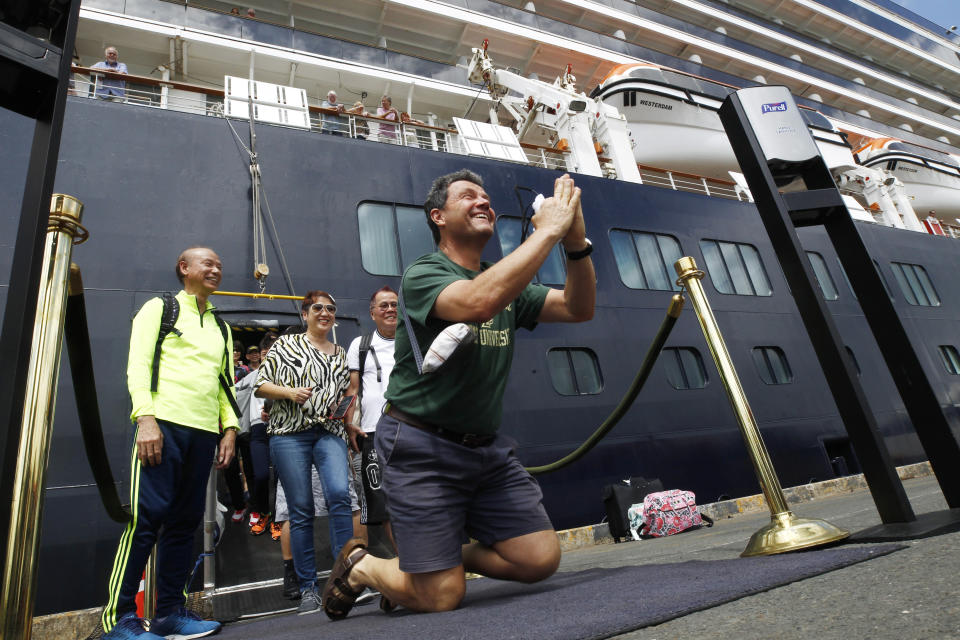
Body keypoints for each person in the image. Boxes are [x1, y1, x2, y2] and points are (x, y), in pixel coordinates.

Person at [320, 170, 594, 619]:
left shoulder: (505, 280)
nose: (484, 202)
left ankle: (438, 560)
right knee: (441, 597)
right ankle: (363, 566)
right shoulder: (423, 274)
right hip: (420, 446)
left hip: (485, 449)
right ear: (438, 217)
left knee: (539, 559)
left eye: (487, 197)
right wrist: (547, 232)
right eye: (468, 196)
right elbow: (476, 303)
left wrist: (575, 243)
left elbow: (579, 308)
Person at [100, 247, 238, 639]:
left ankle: (170, 614)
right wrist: (145, 417)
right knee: (145, 522)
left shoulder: (221, 328)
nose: (216, 269)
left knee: (183, 524)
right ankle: (119, 620)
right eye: (208, 263)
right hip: (161, 427)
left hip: (203, 434)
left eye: (219, 265)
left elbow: (225, 384)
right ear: (184, 268)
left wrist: (229, 429)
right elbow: (138, 363)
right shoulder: (160, 309)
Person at [254, 291, 357, 615]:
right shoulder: (286, 345)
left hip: (329, 431)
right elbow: (261, 385)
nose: (324, 312)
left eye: (330, 308)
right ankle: (309, 587)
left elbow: (345, 395)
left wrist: (344, 412)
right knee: (301, 510)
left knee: (340, 494)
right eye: (318, 308)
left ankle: (345, 578)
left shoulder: (341, 354)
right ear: (305, 314)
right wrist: (288, 393)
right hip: (289, 435)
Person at [345, 287, 398, 550]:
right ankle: (406, 564)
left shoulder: (413, 343)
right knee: (383, 502)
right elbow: (352, 390)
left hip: (413, 431)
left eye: (394, 305)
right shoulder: (360, 345)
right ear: (373, 312)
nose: (390, 309)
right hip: (373, 432)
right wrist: (349, 422)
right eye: (384, 305)